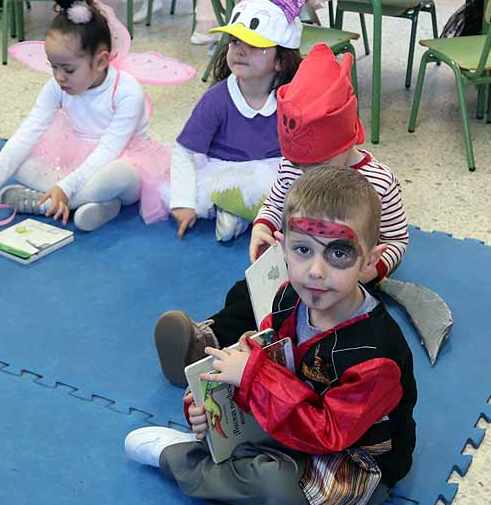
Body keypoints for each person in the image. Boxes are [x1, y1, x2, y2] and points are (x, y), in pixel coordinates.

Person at [125, 166, 417, 505]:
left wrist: (253, 377)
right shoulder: (285, 299)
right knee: (247, 436)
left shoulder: (374, 355)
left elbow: (328, 436)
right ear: (282, 248)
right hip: (293, 415)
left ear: (370, 262)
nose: (315, 270)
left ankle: (184, 461)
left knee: (276, 486)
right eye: (302, 250)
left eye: (339, 253)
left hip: (356, 459)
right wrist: (207, 409)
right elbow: (262, 360)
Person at [152, 43, 409, 388]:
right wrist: (263, 226)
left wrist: (368, 272)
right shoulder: (295, 166)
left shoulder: (379, 182)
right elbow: (276, 202)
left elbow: (395, 239)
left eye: (314, 165)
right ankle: (206, 343)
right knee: (249, 295)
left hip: (347, 277)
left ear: (345, 140)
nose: (304, 173)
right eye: (299, 165)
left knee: (316, 324)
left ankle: (281, 365)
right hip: (299, 263)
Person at [0, 0, 169, 232]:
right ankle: (94, 205)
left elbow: (109, 149)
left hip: (121, 159)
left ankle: (45, 202)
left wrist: (65, 186)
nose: (59, 76)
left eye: (68, 69)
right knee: (22, 162)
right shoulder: (57, 85)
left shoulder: (127, 91)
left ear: (101, 61)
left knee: (117, 176)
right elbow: (27, 132)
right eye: (53, 66)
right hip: (73, 159)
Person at [169, 0, 303, 242]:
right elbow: (183, 150)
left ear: (280, 61)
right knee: (226, 191)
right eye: (234, 42)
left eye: (254, 45)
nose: (240, 50)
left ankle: (246, 218)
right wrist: (182, 201)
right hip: (225, 173)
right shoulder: (217, 99)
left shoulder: (291, 99)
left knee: (297, 194)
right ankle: (240, 215)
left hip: (276, 174)